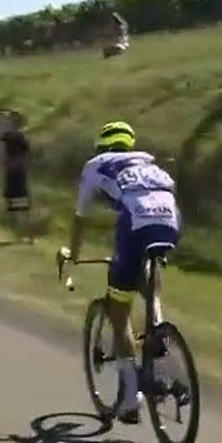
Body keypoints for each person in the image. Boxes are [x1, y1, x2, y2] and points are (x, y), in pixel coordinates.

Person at [57, 121, 181, 425]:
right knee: (149, 267)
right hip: (171, 218)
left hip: (136, 224)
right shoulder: (148, 161)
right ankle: (157, 324)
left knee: (118, 309)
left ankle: (128, 399)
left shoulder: (95, 165)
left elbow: (80, 219)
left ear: (101, 147)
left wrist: (73, 255)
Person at [0, 111, 33, 242]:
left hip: (15, 171)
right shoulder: (18, 136)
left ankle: (24, 234)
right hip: (16, 171)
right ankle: (23, 234)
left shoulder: (14, 136)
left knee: (20, 206)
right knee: (19, 206)